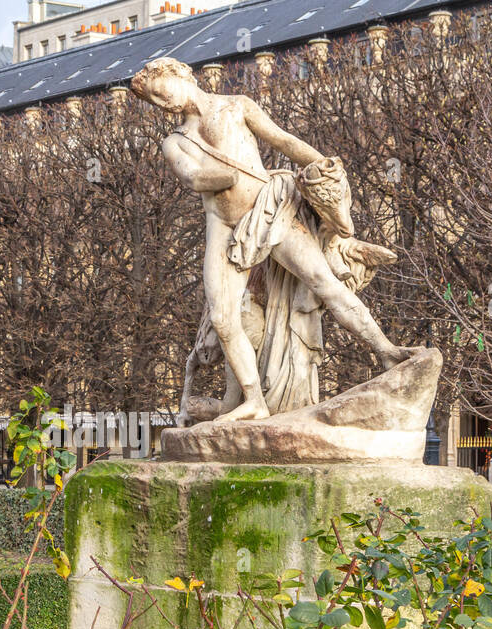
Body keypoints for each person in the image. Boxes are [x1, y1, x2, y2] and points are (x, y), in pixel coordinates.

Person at [132, 57, 410, 424]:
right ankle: (254, 400)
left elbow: (284, 140)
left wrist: (326, 167)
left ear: (181, 75)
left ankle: (387, 351)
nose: (161, 102)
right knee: (222, 316)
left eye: (159, 91)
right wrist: (227, 176)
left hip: (270, 210)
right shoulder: (175, 141)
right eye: (153, 100)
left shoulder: (237, 106)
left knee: (324, 283)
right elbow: (194, 178)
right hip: (225, 227)